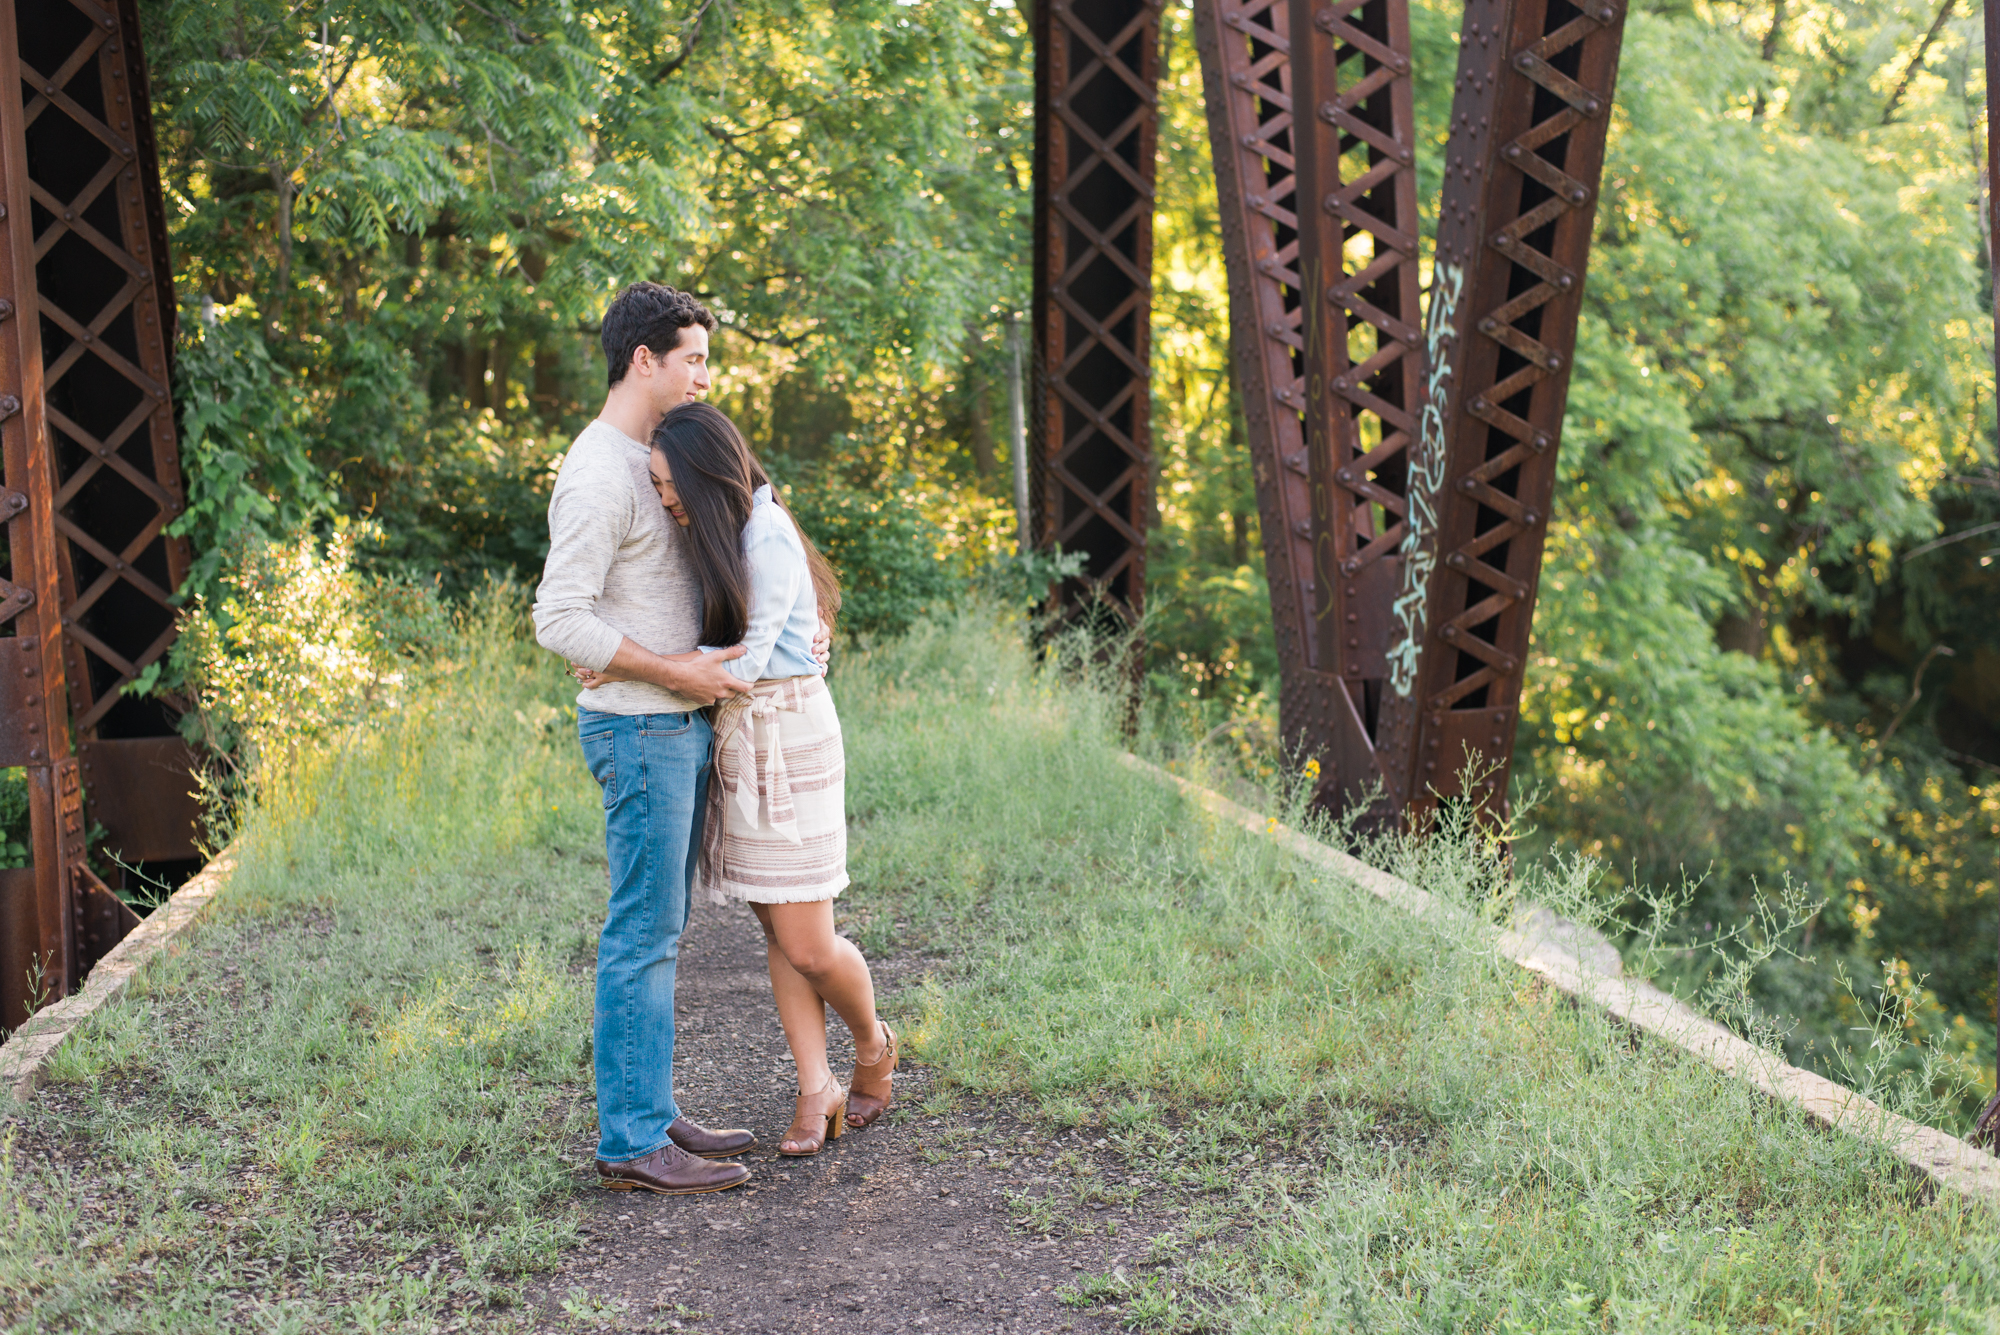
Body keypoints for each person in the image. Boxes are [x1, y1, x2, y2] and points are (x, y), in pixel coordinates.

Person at [532, 283, 822, 1195]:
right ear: (643, 360)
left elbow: (753, 534)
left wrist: (800, 629)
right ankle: (629, 1141)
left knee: (662, 930)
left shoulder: (662, 452)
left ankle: (650, 1113)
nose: (705, 375)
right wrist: (669, 669)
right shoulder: (596, 473)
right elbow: (557, 618)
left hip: (672, 718)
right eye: (692, 357)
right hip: (642, 729)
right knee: (643, 935)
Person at [578, 402, 896, 1157]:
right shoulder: (722, 532)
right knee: (776, 925)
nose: (663, 500)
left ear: (701, 470)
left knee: (809, 940)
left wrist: (640, 670)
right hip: (743, 735)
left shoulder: (768, 534)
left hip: (787, 733)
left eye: (667, 485)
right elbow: (711, 636)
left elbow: (748, 664)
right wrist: (618, 653)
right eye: (654, 486)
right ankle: (815, 1087)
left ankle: (874, 1041)